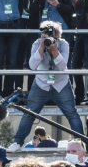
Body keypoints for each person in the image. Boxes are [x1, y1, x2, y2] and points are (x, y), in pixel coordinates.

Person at [7, 21, 83, 152]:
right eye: (44, 33)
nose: (46, 36)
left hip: (61, 84)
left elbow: (63, 66)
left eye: (50, 34)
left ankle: (81, 143)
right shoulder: (37, 44)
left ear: (57, 35)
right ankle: (17, 142)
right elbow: (32, 66)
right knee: (28, 114)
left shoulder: (64, 44)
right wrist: (41, 49)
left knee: (72, 114)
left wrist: (54, 50)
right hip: (41, 84)